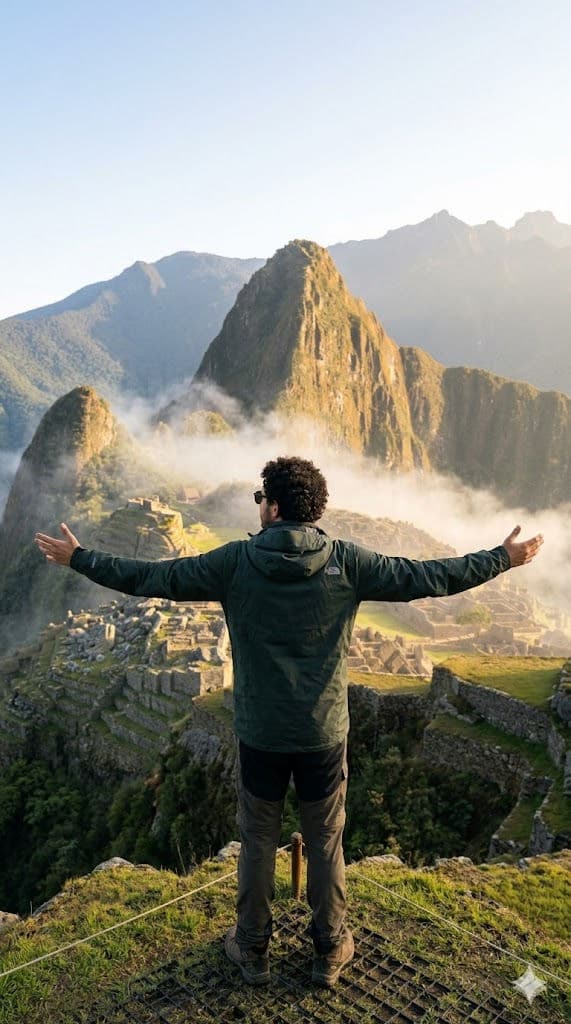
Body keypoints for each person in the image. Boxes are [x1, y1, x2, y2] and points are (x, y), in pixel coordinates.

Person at [34, 456, 544, 988]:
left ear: (273, 506)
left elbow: (152, 577)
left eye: (260, 500)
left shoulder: (234, 563)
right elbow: (431, 577)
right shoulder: (348, 563)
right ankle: (330, 949)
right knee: (325, 840)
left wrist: (81, 559)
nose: (258, 508)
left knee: (257, 839)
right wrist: (501, 559)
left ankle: (252, 948)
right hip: (323, 734)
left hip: (260, 735)